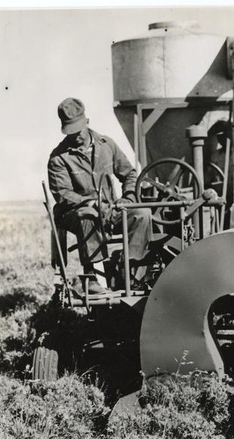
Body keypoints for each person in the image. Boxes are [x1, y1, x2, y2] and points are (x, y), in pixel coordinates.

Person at [48, 97, 152, 294]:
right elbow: (63, 194)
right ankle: (92, 277)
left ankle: (131, 273)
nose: (75, 136)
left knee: (142, 213)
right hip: (74, 212)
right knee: (88, 214)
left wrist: (128, 198)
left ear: (87, 122)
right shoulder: (58, 158)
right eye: (70, 131)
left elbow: (129, 174)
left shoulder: (107, 145)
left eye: (78, 130)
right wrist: (90, 202)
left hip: (110, 208)